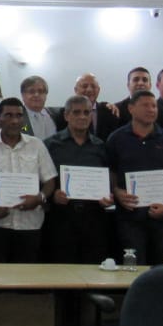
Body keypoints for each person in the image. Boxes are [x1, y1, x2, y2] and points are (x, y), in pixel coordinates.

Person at [105, 89, 163, 265]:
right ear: (131, 108)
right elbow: (111, 173)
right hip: (130, 218)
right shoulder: (116, 139)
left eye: (154, 106)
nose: (151, 110)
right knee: (133, 265)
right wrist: (117, 192)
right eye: (145, 105)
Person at [0, 97, 56, 263]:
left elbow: (49, 181)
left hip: (31, 225)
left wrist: (39, 198)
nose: (14, 120)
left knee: (26, 281)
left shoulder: (37, 145)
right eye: (8, 115)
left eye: (19, 116)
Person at [45, 94, 115, 264]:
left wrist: (109, 197)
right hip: (61, 217)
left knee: (93, 268)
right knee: (62, 270)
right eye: (76, 112)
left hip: (94, 217)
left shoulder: (101, 146)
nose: (82, 117)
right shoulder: (50, 145)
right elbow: (43, 179)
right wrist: (53, 194)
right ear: (66, 115)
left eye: (87, 112)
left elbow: (110, 179)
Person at [54, 73, 121, 140]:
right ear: (76, 90)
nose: (89, 90)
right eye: (84, 86)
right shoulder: (64, 113)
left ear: (98, 90)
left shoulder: (109, 111)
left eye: (93, 86)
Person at [17, 75, 58, 140]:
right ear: (23, 95)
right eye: (31, 91)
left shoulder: (57, 115)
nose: (36, 95)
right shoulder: (16, 118)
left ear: (46, 95)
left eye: (41, 91)